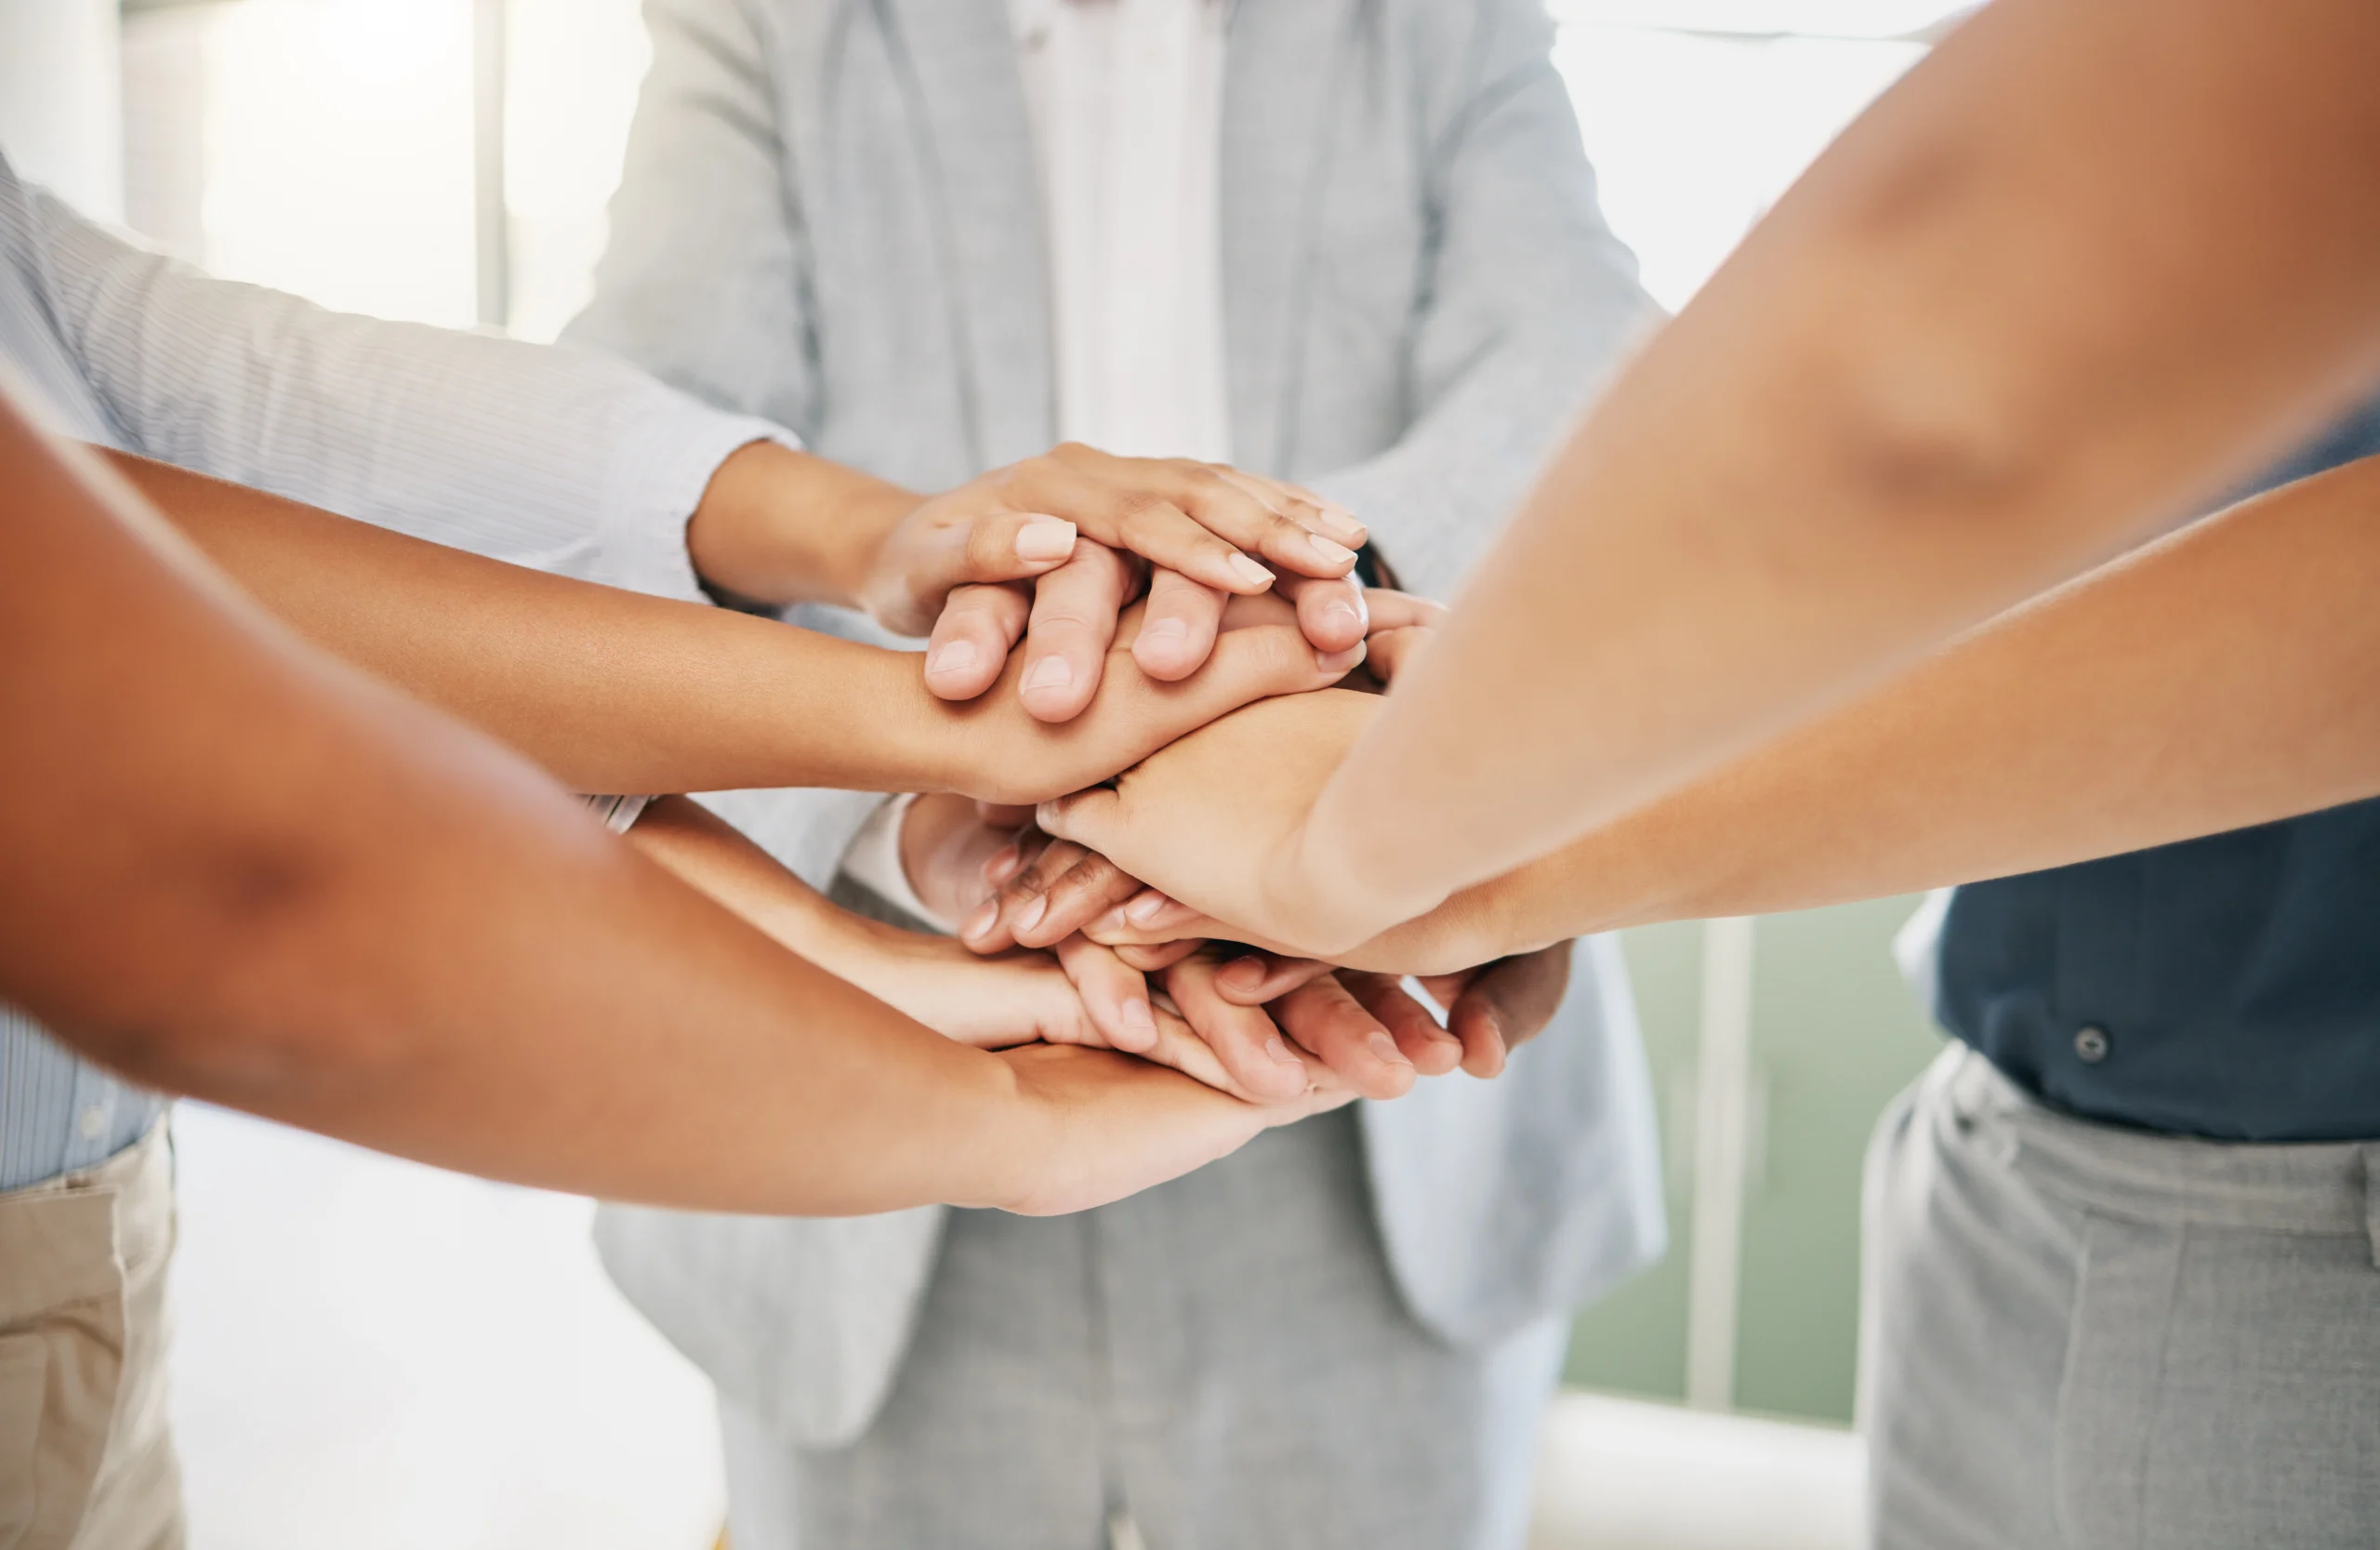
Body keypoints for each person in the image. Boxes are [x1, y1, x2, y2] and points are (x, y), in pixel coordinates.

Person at [0, 138, 1408, 1550]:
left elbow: (170, 385)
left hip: (96, 1265)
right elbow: (228, 848)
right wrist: (988, 1047)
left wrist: (887, 548)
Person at [562, 1, 1665, 1545]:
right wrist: (922, 792)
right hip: (884, 1098)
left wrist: (1314, 641)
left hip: (1372, 1120)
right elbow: (626, 467)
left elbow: (1582, 365)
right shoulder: (768, 24)